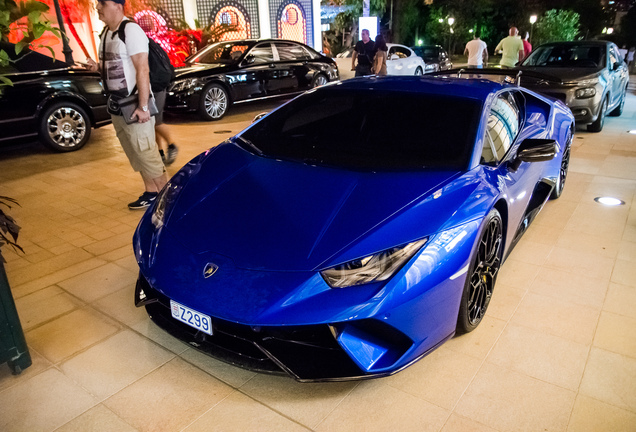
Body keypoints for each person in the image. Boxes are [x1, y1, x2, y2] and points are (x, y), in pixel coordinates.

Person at [86, 0, 167, 210]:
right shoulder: (106, 33)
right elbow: (116, 67)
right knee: (136, 153)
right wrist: (96, 67)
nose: (98, 8)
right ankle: (151, 192)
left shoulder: (131, 31)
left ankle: (170, 203)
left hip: (134, 105)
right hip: (117, 106)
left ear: (117, 5)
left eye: (101, 3)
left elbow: (142, 70)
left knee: (147, 154)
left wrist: (144, 107)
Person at [154, 90, 178, 166]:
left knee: (156, 122)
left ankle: (171, 145)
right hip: (150, 88)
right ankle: (160, 153)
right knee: (152, 125)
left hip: (157, 87)